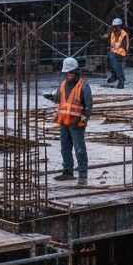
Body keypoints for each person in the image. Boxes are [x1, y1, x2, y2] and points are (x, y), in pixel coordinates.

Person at [51, 56, 92, 185]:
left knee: (79, 149)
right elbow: (60, 99)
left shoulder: (83, 86)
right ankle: (67, 171)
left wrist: (83, 121)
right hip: (64, 121)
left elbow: (88, 106)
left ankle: (82, 175)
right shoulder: (63, 84)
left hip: (76, 123)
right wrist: (53, 98)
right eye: (67, 73)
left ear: (76, 72)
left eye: (71, 73)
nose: (69, 75)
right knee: (65, 148)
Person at [105, 17, 130, 89]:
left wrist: (126, 55)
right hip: (113, 52)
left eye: (116, 27)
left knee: (118, 67)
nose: (115, 28)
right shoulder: (113, 32)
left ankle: (121, 81)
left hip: (120, 53)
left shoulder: (123, 34)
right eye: (114, 27)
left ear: (120, 26)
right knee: (109, 63)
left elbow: (126, 45)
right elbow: (109, 40)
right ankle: (114, 76)